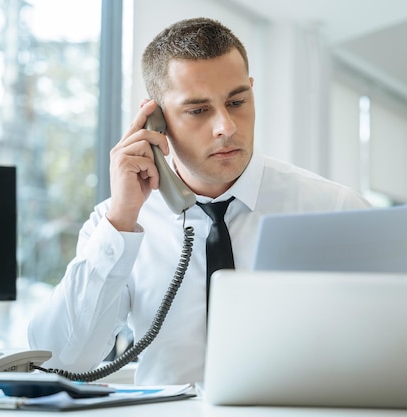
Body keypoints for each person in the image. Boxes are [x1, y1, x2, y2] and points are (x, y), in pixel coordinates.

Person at [27, 17, 370, 385]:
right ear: (155, 119)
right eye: (198, 110)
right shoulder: (112, 227)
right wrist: (123, 221)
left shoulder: (335, 210)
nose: (227, 127)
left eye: (237, 101)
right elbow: (61, 361)